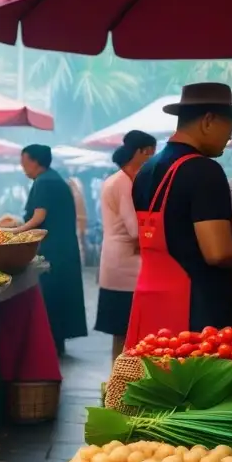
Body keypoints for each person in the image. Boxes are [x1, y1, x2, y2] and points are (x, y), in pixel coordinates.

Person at [128, 83, 232, 342]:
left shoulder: (146, 169)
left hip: (150, 297)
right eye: (230, 127)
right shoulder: (204, 170)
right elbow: (218, 252)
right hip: (194, 307)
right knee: (197, 379)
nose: (230, 137)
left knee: (153, 377)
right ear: (208, 120)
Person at [5, 144, 87, 356]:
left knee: (51, 293)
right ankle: (56, 342)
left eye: (24, 163)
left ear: (34, 162)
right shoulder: (54, 179)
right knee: (59, 294)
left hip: (53, 248)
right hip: (63, 246)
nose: (23, 168)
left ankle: (51, 343)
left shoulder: (44, 182)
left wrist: (13, 233)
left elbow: (39, 217)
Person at [96, 130, 157, 361]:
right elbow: (135, 230)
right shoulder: (123, 183)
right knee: (128, 332)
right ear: (140, 152)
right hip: (127, 266)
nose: (153, 158)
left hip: (118, 262)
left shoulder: (119, 179)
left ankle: (116, 382)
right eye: (151, 153)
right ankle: (120, 382)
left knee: (122, 334)